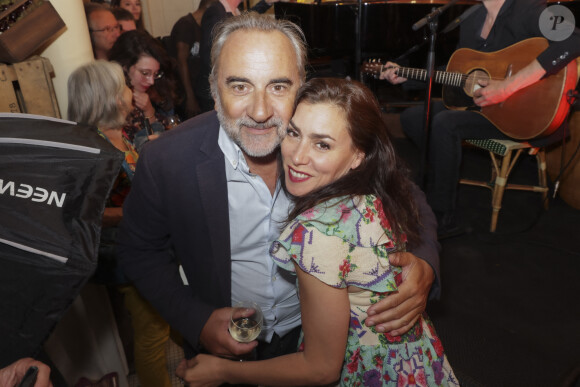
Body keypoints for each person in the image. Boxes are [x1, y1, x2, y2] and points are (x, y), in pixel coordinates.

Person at [117, 12, 440, 366]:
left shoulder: (324, 146)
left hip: (323, 338)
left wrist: (424, 262)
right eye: (240, 86)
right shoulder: (167, 160)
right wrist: (197, 320)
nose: (259, 111)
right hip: (226, 348)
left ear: (301, 84)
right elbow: (139, 251)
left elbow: (402, 189)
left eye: (279, 86)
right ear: (213, 87)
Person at [176, 77, 459, 386]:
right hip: (417, 364)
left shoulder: (316, 234)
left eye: (322, 144)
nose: (297, 156)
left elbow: (321, 369)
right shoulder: (372, 194)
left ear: (357, 156)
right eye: (293, 133)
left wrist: (222, 371)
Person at [380, 0, 580, 238]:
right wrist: (406, 77)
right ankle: (441, 183)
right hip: (482, 108)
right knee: (413, 118)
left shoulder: (528, 8)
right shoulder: (471, 18)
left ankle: (442, 215)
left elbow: (573, 40)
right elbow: (462, 70)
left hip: (522, 114)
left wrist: (507, 86)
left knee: (446, 124)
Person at [67, 60, 173, 387]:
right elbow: (85, 212)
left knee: (163, 320)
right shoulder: (93, 147)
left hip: (140, 246)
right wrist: (139, 211)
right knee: (153, 333)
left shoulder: (114, 134)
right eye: (124, 86)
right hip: (125, 255)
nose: (131, 91)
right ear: (113, 97)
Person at [194, 0, 280, 112]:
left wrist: (266, 2)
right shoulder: (215, 11)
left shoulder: (234, 10)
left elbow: (246, 19)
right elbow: (209, 54)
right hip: (214, 92)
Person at [109, 29, 180, 150]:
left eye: (156, 74)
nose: (151, 81)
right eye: (145, 73)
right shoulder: (112, 102)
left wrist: (149, 111)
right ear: (124, 68)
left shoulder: (152, 92)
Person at [169, 0, 216, 119]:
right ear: (209, 9)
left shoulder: (203, 27)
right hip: (185, 94)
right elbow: (181, 62)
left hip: (197, 90)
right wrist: (190, 98)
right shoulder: (185, 25)